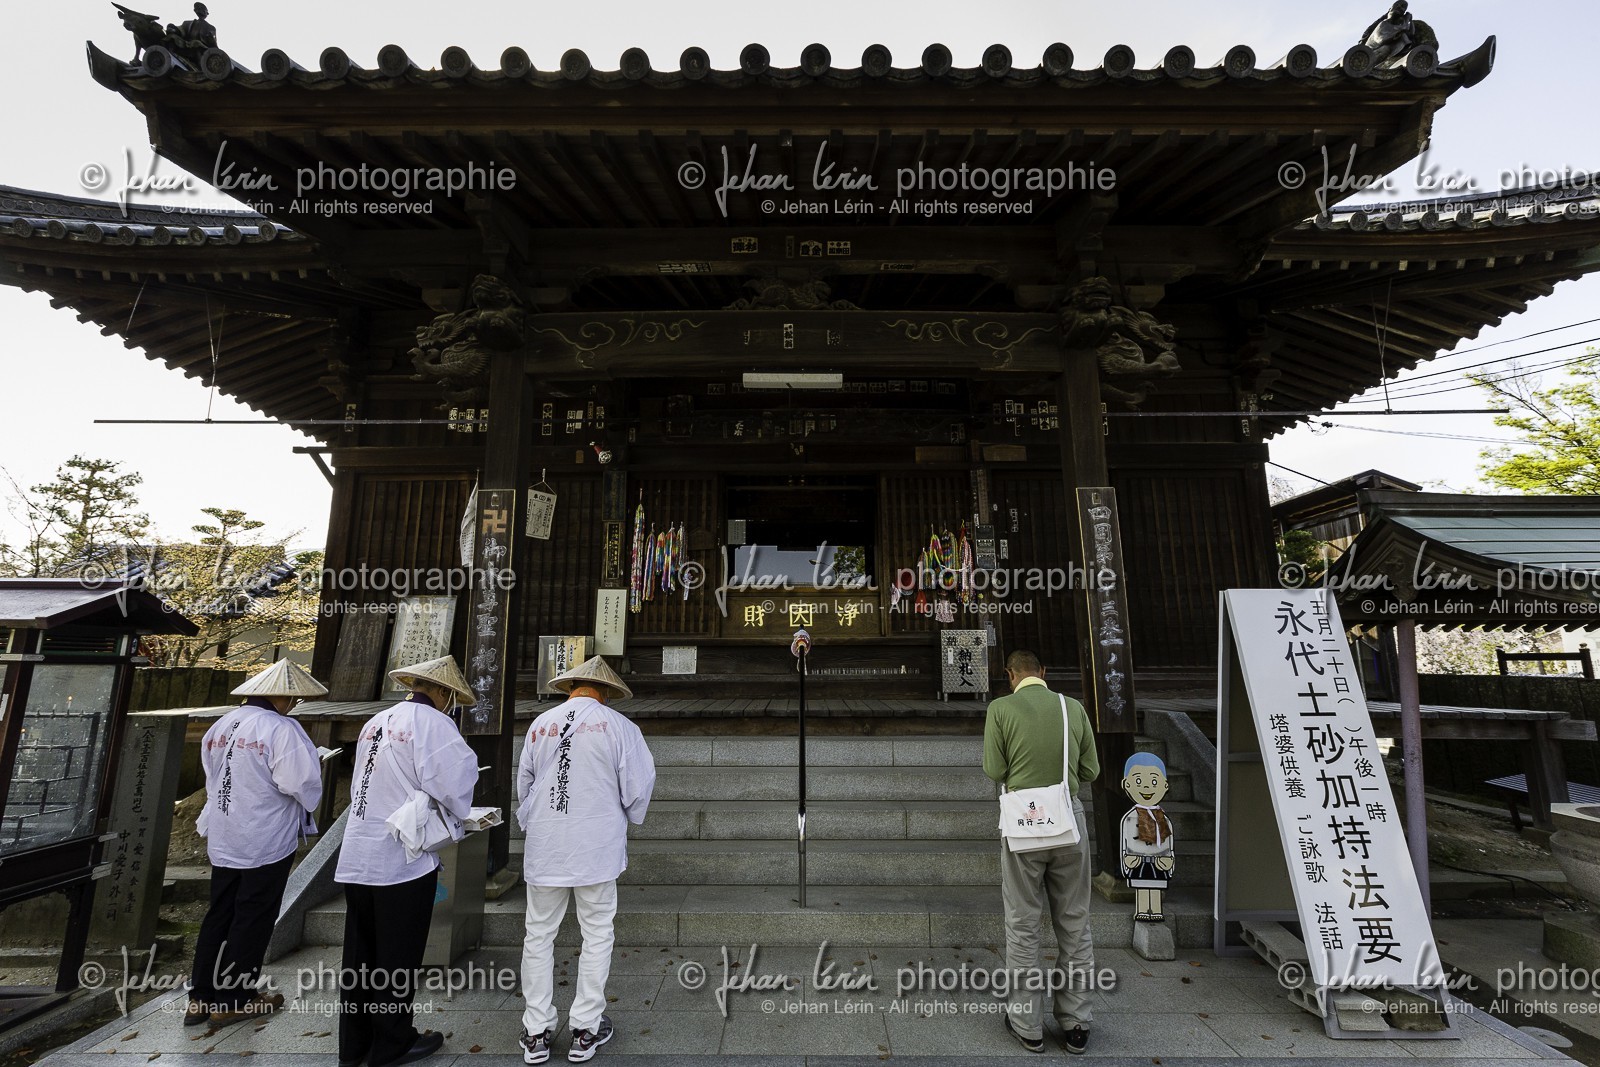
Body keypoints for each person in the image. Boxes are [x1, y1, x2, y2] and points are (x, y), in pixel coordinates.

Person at [334, 656, 479, 1067]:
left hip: (360, 851)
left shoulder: (376, 721)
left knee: (360, 953)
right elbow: (455, 781)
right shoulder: (434, 724)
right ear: (444, 693)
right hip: (401, 855)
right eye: (451, 698)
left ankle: (355, 1045)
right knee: (398, 954)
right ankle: (393, 1042)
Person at [516, 656, 655, 1064]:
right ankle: (585, 1028)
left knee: (538, 934)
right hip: (595, 844)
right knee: (596, 932)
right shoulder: (621, 727)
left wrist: (539, 820)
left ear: (570, 687)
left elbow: (524, 783)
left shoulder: (540, 725)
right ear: (607, 692)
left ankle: (537, 1031)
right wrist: (625, 815)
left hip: (546, 845)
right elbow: (638, 787)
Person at [188, 659, 326, 1028]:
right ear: (281, 695)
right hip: (264, 833)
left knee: (220, 912)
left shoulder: (220, 725)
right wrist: (317, 768)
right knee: (253, 914)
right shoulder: (281, 728)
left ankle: (201, 996)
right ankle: (234, 997)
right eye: (292, 698)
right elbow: (300, 783)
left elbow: (212, 774)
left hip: (226, 831)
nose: (294, 704)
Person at [982, 650, 1100, 1055]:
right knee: (1074, 921)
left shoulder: (1000, 709)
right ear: (1043, 673)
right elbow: (1091, 772)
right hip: (1069, 822)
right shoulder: (1073, 708)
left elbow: (994, 770)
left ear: (1010, 675)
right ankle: (1076, 1022)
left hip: (1023, 826)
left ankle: (1027, 1023)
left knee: (1023, 923)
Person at [1119, 752, 1175, 922]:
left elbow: (1168, 843)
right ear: (1126, 784)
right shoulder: (1129, 818)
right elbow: (1125, 842)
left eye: (1153, 781)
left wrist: (1169, 859)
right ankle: (1143, 909)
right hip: (1138, 860)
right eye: (1138, 781)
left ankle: (1156, 910)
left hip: (1159, 860)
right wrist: (1126, 860)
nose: (1146, 787)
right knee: (1143, 886)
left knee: (1155, 886)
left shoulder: (1163, 818)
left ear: (1165, 786)